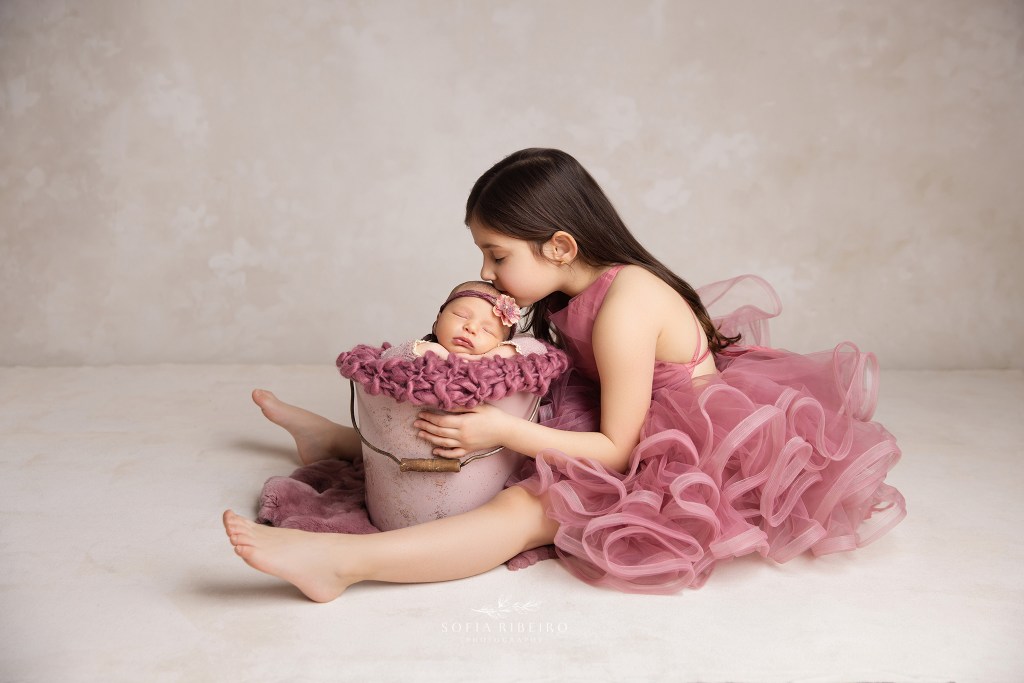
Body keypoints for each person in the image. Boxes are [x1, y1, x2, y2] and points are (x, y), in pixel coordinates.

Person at [225, 148, 905, 601]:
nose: (487, 276)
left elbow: (617, 447)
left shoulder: (625, 304)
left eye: (495, 256)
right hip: (612, 409)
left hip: (666, 444)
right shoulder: (565, 292)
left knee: (526, 504)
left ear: (559, 247)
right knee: (481, 447)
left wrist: (504, 429)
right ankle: (339, 443)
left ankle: (344, 565)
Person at [402, 280, 523, 361]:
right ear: (438, 320)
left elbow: (537, 348)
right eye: (461, 316)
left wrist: (488, 356)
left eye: (487, 330)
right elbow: (388, 358)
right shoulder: (422, 350)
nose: (471, 328)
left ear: (502, 343)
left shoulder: (501, 365)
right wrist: (434, 350)